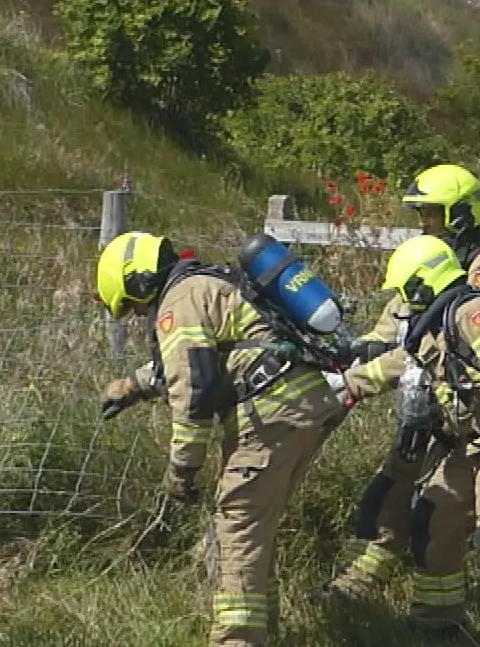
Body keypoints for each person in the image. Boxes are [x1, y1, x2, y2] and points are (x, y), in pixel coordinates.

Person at [94, 230, 347, 646]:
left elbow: (194, 391)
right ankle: (266, 633)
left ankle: (237, 639)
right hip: (304, 407)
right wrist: (130, 387)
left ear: (140, 281)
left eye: (136, 306)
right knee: (256, 529)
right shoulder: (207, 284)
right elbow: (204, 360)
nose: (141, 315)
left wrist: (182, 470)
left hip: (269, 418)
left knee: (239, 527)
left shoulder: (178, 302)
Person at [338, 234, 480, 646]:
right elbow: (402, 362)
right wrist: (345, 385)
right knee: (433, 517)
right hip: (478, 444)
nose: (403, 303)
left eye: (406, 292)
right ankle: (437, 625)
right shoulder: (438, 322)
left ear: (423, 284)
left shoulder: (474, 313)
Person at [320, 164, 480, 602]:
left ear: (461, 215)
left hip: (462, 401)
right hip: (420, 395)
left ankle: (434, 610)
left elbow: (457, 330)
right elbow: (393, 321)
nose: (425, 223)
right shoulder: (427, 259)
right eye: (423, 214)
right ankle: (362, 581)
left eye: (432, 214)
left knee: (439, 508)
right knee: (390, 490)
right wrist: (354, 352)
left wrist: (367, 375)